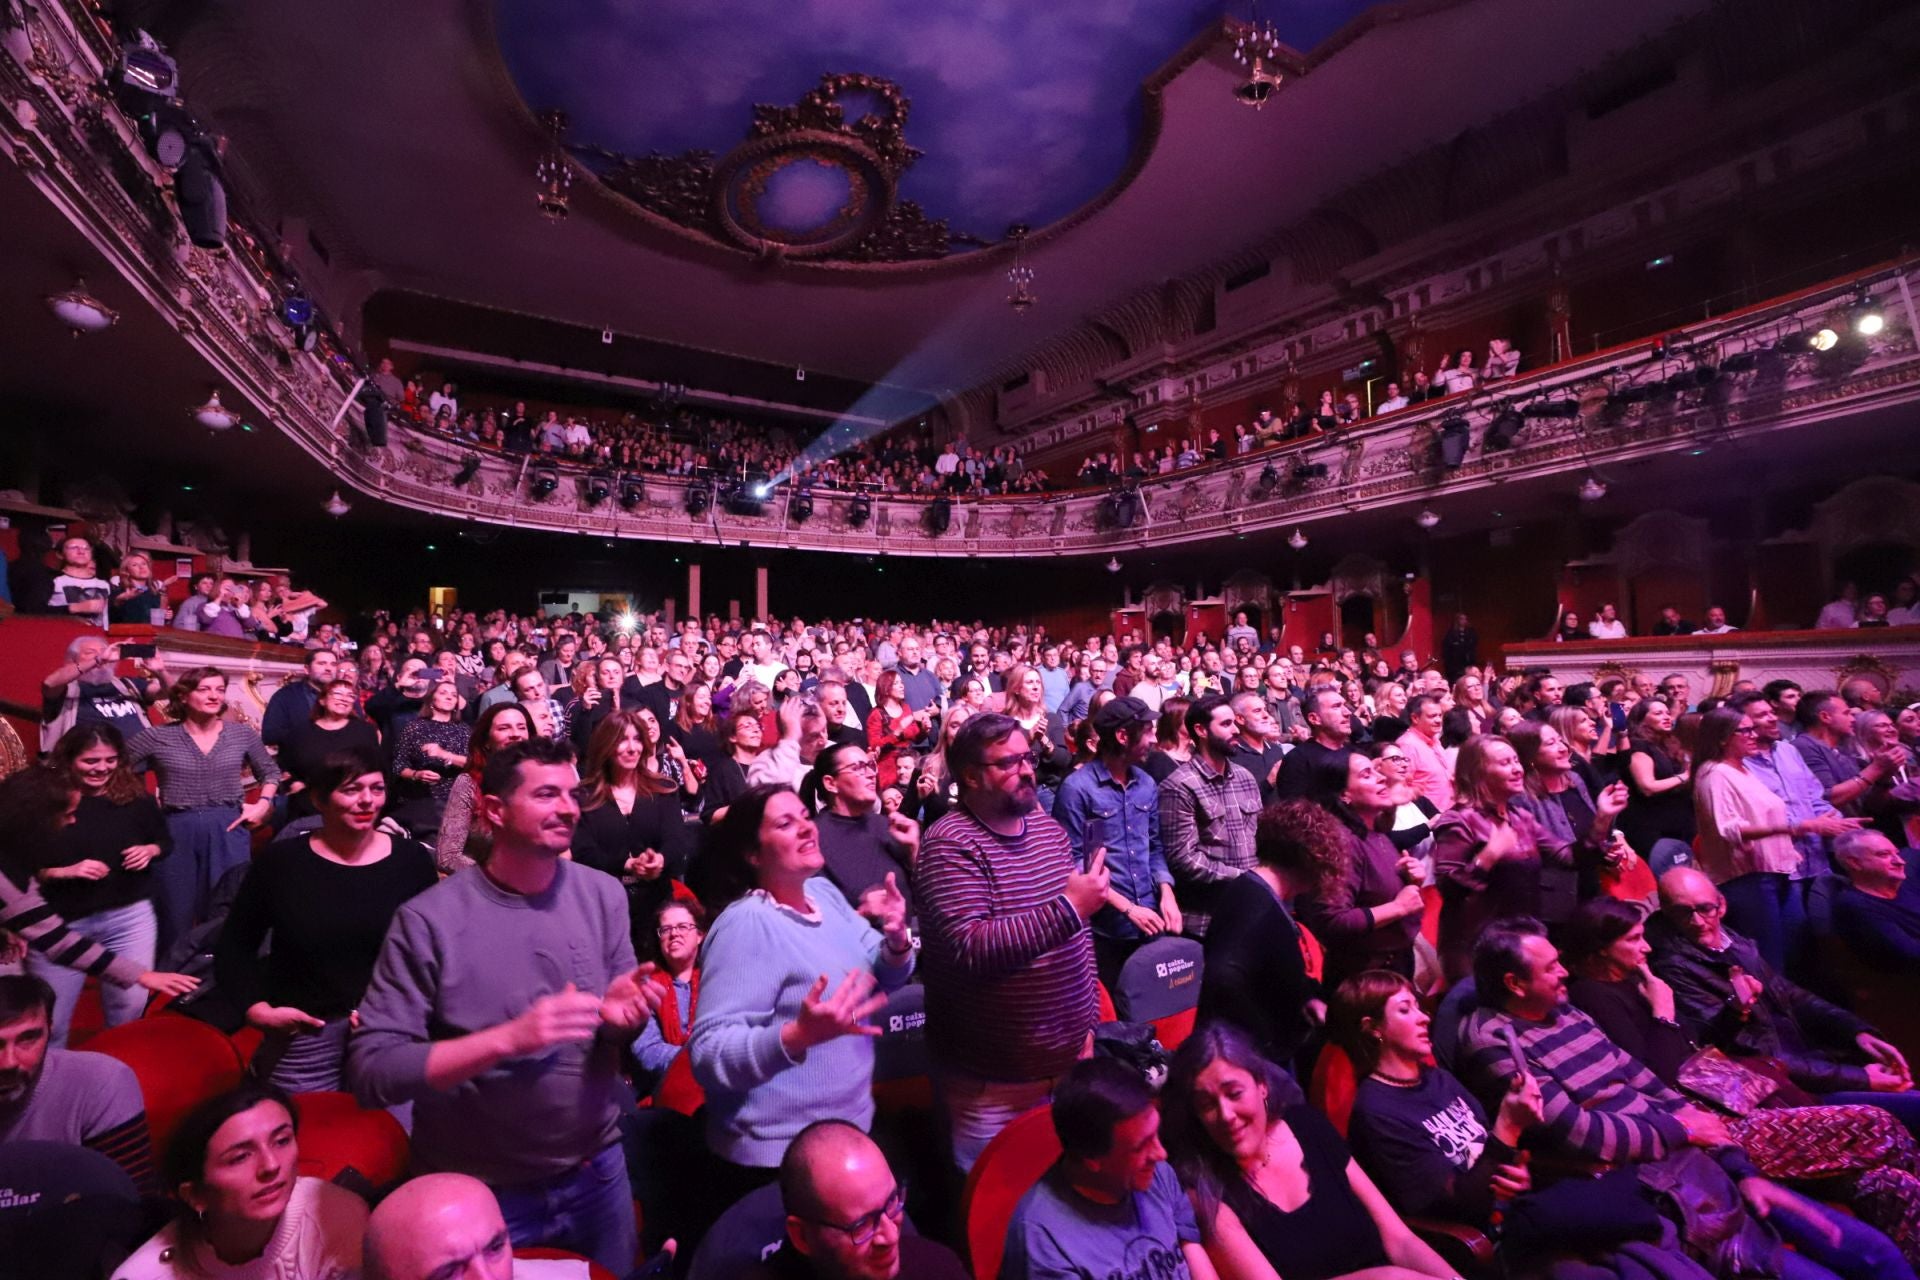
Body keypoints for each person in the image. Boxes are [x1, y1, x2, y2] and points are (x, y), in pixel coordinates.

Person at [349, 738, 655, 1273]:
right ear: (494, 810)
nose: (567, 807)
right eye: (546, 794)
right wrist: (510, 1039)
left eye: (572, 793)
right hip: (482, 1195)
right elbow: (373, 1070)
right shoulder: (429, 920)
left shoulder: (604, 894)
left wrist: (624, 1024)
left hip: (595, 1169)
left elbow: (613, 1027)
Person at [1459, 919, 1908, 1280]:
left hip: (1700, 1162)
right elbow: (1579, 1131)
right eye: (1551, 967)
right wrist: (1681, 1130)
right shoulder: (1495, 1042)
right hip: (1658, 1189)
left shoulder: (1567, 1012)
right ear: (1515, 984)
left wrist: (1737, 1166)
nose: (1564, 974)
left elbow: (1651, 1082)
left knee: (1874, 1252)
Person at [689, 784, 913, 1198]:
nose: (807, 829)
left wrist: (897, 942)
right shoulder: (747, 924)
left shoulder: (823, 894)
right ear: (753, 854)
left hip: (848, 1129)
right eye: (785, 823)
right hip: (778, 1159)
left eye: (805, 818)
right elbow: (708, 1054)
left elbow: (880, 977)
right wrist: (797, 1037)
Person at [914, 713, 1102, 1171]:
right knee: (993, 1214)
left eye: (1027, 757)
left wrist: (1089, 1023)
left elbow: (1078, 939)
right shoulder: (950, 844)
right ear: (971, 776)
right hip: (990, 1086)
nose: (1026, 769)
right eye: (1009, 762)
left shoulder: (1047, 832)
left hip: (1068, 1063)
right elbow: (970, 947)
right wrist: (1068, 909)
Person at [216, 747, 437, 1092]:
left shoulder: (411, 861)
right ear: (319, 800)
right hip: (306, 1030)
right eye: (351, 790)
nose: (367, 801)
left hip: (389, 1028)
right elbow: (235, 946)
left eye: (376, 789)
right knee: (305, 1136)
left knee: (392, 1138)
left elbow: (427, 952)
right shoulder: (283, 863)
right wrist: (257, 1011)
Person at [1163, 1021, 1457, 1280]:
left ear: (1262, 1086)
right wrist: (1383, 1276)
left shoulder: (1308, 1126)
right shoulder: (1205, 1191)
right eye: (1206, 1104)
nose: (1225, 1115)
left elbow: (1399, 1239)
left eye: (1234, 1093)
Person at [1650, 866, 1920, 1135]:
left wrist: (1856, 1031)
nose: (1697, 921)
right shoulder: (1674, 966)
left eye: (1704, 908)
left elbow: (1793, 995)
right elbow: (1754, 1055)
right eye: (1683, 912)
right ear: (1666, 911)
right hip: (1785, 1091)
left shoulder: (1732, 940)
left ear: (1722, 905)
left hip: (1812, 1063)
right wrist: (1861, 1079)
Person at [1329, 970, 1549, 1230]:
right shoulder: (1376, 1112)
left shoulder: (1438, 1078)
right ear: (1373, 1028)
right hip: (1482, 1237)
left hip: (1517, 1211)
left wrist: (1517, 1173)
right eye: (1405, 1010)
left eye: (1418, 1007)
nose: (1424, 1017)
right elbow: (1458, 1208)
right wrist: (1510, 1123)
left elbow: (1488, 1148)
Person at [116, 1082, 368, 1280]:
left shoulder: (337, 1218)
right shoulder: (148, 1273)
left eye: (281, 1141)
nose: (271, 1165)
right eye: (240, 1157)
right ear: (195, 1195)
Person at [1001, 1057, 1217, 1280]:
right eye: (1141, 1146)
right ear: (1092, 1158)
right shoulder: (1043, 1243)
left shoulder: (1155, 1173)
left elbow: (1190, 1246)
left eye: (1155, 1133)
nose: (1161, 1154)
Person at [27, 725, 169, 1046]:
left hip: (128, 916)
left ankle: (113, 1077)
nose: (102, 768)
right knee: (53, 1019)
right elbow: (15, 867)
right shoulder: (42, 801)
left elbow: (164, 841)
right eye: (91, 761)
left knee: (129, 1007)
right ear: (68, 759)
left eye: (110, 760)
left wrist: (150, 850)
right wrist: (63, 871)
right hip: (60, 923)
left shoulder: (134, 798)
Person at [1692, 705, 1861, 973]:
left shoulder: (1742, 770)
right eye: (1744, 730)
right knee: (1770, 963)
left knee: (1796, 956)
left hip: (1777, 871)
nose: (1753, 734)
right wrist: (1795, 828)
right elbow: (1728, 829)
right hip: (1748, 879)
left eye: (1752, 728)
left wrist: (1799, 836)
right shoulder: (1715, 774)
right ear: (1723, 737)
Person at [127, 667, 281, 954]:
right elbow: (118, 769)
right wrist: (143, 812)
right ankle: (172, 983)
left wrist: (263, 804)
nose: (214, 696)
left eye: (219, 689)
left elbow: (270, 771)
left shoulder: (240, 734)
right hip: (176, 828)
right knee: (175, 911)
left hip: (228, 825)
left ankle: (221, 978)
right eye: (204, 689)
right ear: (184, 696)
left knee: (227, 908)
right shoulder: (158, 737)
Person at [730, 1119, 969, 1280]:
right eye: (863, 1224)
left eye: (892, 1203)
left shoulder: (936, 1266)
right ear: (802, 1237)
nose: (891, 1236)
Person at [1199, 800, 1339, 1069]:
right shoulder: (1259, 907)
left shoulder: (1251, 891)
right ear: (1310, 858)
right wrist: (1266, 1045)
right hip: (1252, 1061)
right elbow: (1222, 979)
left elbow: (1265, 971)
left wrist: (1305, 999)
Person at [1051, 696, 1178, 983]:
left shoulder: (1146, 783)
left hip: (1149, 918)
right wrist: (1128, 909)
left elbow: (1155, 847)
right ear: (1122, 737)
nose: (1154, 738)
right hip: (1104, 927)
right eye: (1147, 731)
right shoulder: (1077, 789)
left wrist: (1167, 893)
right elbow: (1073, 865)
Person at [0, 975, 155, 1191]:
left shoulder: (100, 1082)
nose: (8, 1062)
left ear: (49, 1030)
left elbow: (128, 1207)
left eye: (28, 1038)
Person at [1431, 735, 1559, 981]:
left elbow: (1565, 855)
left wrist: (1602, 822)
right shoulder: (1458, 821)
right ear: (1478, 773)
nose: (1516, 769)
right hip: (1477, 950)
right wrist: (1489, 856)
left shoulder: (1520, 817)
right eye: (1504, 763)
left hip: (1522, 940)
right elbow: (1449, 889)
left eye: (1516, 761)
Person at [1297, 751, 1426, 990]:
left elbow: (1383, 897)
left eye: (1377, 771)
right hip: (1365, 982)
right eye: (1367, 774)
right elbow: (1331, 921)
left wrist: (1410, 881)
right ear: (1344, 794)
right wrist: (1398, 907)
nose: (1381, 778)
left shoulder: (1374, 833)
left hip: (1391, 969)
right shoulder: (1343, 842)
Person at [570, 710, 693, 944]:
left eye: (637, 739)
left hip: (656, 905)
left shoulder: (663, 789)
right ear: (605, 745)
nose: (632, 747)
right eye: (622, 740)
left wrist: (660, 861)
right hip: (602, 907)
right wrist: (626, 865)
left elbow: (677, 843)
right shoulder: (583, 795)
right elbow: (583, 853)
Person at [1159, 696, 1262, 939]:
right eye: (1226, 724)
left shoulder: (1244, 777)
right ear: (1201, 730)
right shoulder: (1179, 786)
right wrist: (1246, 877)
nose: (1236, 730)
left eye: (1235, 723)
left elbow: (1261, 837)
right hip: (1208, 920)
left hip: (1251, 910)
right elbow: (1183, 860)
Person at [805, 742, 921, 921]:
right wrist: (859, 914)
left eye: (870, 765)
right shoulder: (812, 839)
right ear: (831, 783)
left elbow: (925, 894)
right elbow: (808, 920)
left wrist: (914, 850)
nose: (871, 774)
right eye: (858, 768)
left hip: (910, 941)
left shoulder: (887, 825)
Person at [434, 701, 533, 874]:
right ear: (486, 741)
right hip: (488, 887)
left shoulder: (543, 783)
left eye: (521, 727)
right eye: (504, 728)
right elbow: (448, 856)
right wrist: (498, 875)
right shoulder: (469, 783)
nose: (516, 734)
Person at [39, 632, 165, 755]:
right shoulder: (66, 689)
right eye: (90, 652)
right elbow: (50, 683)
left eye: (103, 651)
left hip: (132, 769)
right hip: (83, 770)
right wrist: (98, 660)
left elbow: (170, 693)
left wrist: (162, 672)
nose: (103, 655)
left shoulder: (128, 684)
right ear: (73, 660)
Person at [278, 679, 383, 820]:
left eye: (350, 695)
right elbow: (285, 765)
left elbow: (375, 767)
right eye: (338, 694)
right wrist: (294, 783)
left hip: (354, 805)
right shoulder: (300, 733)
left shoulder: (366, 731)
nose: (344, 699)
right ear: (322, 700)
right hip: (309, 805)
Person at [392, 677, 470, 841]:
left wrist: (444, 754)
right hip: (421, 800)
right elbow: (399, 765)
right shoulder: (415, 727)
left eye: (453, 695)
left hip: (454, 800)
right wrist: (416, 774)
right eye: (443, 693)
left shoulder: (464, 730)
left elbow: (473, 763)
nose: (449, 697)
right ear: (432, 699)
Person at [1832, 829, 1920, 972]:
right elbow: (1911, 954)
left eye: (1896, 853)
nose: (1900, 861)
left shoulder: (1905, 880)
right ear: (1854, 863)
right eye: (1884, 855)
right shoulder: (1855, 906)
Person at [1620, 696, 1695, 862]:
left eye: (1667, 713)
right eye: (1658, 713)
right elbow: (1647, 787)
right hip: (1652, 825)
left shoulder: (1668, 744)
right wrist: (1684, 777)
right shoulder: (1638, 745)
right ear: (1642, 720)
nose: (1667, 717)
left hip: (1678, 820)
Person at [1273, 687, 1352, 799]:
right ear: (1314, 719)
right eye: (1336, 706)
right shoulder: (1297, 760)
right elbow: (1294, 811)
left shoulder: (1357, 754)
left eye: (1345, 705)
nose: (1347, 712)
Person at [261, 648, 339, 751]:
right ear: (307, 669)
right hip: (301, 761)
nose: (328, 668)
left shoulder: (346, 694)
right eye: (322, 663)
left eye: (333, 664)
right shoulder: (286, 695)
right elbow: (269, 734)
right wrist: (311, 734)